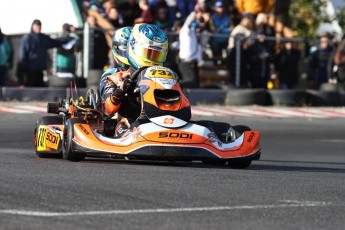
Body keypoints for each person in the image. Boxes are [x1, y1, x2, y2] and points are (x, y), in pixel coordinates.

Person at [101, 23, 168, 137]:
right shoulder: (116, 76)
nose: (152, 59)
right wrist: (121, 90)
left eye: (156, 55)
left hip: (160, 120)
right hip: (128, 121)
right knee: (126, 125)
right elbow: (107, 109)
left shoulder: (163, 75)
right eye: (149, 53)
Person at [17, 19, 66, 87]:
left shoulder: (43, 38)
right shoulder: (27, 38)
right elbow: (22, 56)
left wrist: (66, 42)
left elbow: (54, 42)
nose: (38, 28)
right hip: (30, 70)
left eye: (39, 27)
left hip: (41, 70)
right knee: (31, 88)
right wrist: (21, 72)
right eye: (36, 26)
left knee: (41, 88)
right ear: (33, 26)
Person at [99, 26, 133, 103]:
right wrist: (120, 89)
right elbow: (106, 100)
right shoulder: (112, 74)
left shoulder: (148, 72)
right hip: (122, 112)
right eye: (127, 52)